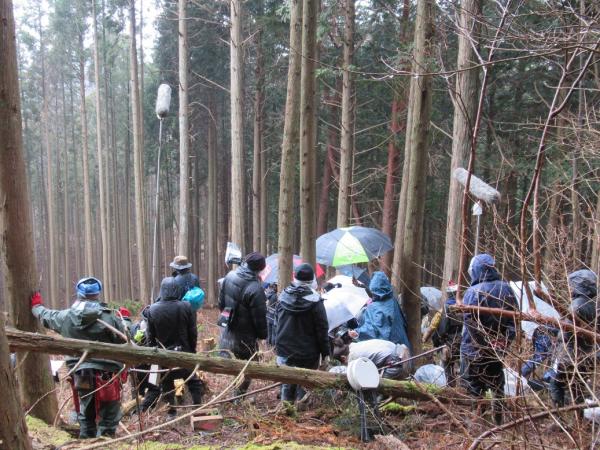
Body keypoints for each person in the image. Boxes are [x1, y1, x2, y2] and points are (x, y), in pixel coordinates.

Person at [30, 277, 126, 438]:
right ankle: (107, 444)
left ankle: (87, 442)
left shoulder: (65, 317)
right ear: (98, 293)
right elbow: (124, 340)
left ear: (79, 293)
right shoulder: (110, 317)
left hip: (81, 373)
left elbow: (45, 315)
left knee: (86, 413)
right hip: (108, 375)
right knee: (109, 415)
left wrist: (36, 306)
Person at [460, 253, 518, 425]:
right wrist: (504, 343)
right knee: (497, 386)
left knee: (474, 387)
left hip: (474, 350)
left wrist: (483, 345)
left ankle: (478, 424)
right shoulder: (506, 289)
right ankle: (497, 424)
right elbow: (514, 321)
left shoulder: (472, 292)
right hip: (495, 351)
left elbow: (469, 322)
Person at [141, 277, 204, 416]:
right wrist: (192, 351)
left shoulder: (152, 309)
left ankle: (172, 412)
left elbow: (150, 337)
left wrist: (155, 355)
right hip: (184, 352)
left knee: (167, 384)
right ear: (176, 290)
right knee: (194, 382)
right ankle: (198, 409)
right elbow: (193, 333)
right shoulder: (186, 306)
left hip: (164, 356)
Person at [275, 264, 330, 404]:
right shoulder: (316, 302)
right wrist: (325, 353)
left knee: (287, 382)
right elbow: (322, 330)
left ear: (295, 276)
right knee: (304, 382)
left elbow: (277, 323)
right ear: (312, 279)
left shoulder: (282, 297)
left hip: (285, 350)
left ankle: (286, 410)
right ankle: (300, 411)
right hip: (308, 352)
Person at [218, 252, 268, 394]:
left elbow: (221, 304)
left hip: (228, 331)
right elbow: (259, 318)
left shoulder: (230, 275)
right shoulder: (256, 289)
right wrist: (263, 335)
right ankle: (237, 397)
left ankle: (235, 393)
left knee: (236, 365)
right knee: (248, 368)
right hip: (245, 338)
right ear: (259, 269)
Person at [549, 269, 597, 408]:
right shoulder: (592, 305)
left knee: (556, 383)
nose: (569, 288)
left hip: (568, 354)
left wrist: (554, 328)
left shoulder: (577, 305)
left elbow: (568, 331)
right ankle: (579, 421)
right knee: (578, 389)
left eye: (571, 285)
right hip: (586, 354)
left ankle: (558, 419)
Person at [355, 271, 410, 349]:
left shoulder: (374, 308)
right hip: (402, 343)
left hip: (388, 349)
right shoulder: (393, 300)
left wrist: (357, 332)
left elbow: (373, 331)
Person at [432, 281, 463, 386]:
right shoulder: (464, 306)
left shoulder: (447, 307)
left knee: (447, 366)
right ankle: (462, 387)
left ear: (449, 293)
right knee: (462, 366)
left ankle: (450, 388)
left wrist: (438, 340)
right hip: (463, 342)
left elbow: (443, 328)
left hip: (449, 343)